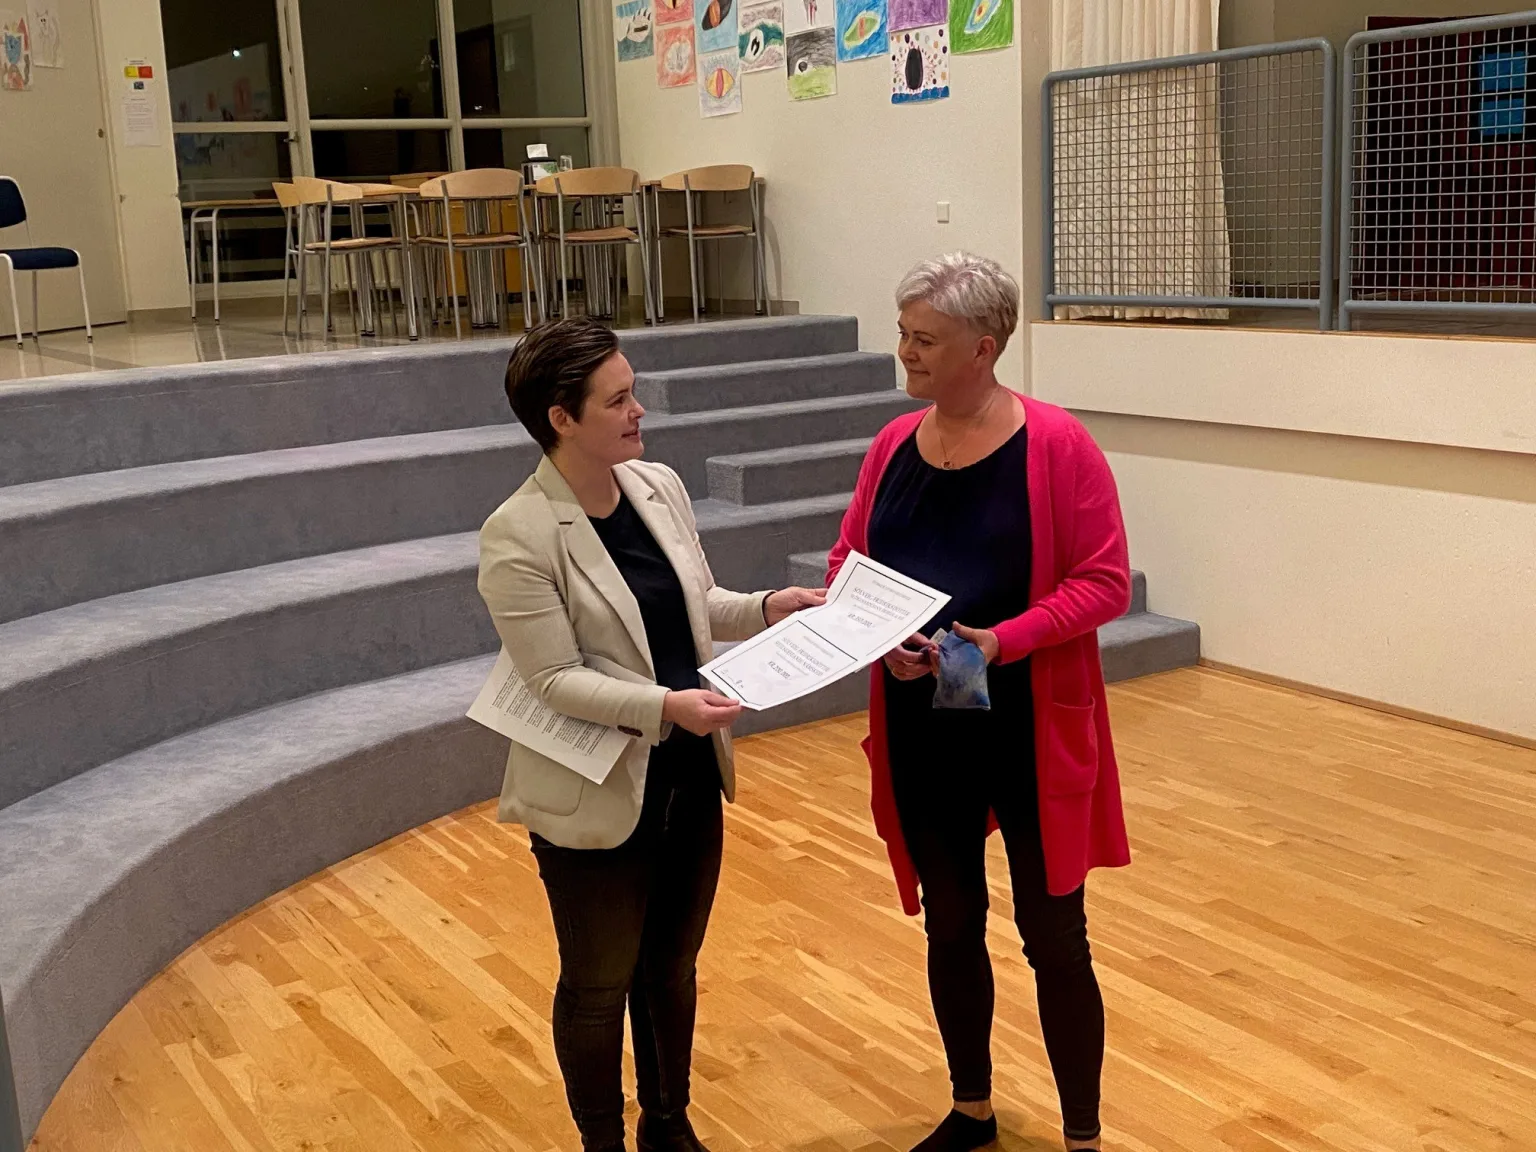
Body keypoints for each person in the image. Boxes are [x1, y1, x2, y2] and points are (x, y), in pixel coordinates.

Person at [477, 318, 825, 1152]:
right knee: (599, 985)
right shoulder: (518, 532)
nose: (640, 412)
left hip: (688, 771)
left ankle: (668, 1126)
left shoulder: (656, 485)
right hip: (596, 790)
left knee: (671, 966)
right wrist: (666, 706)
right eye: (619, 400)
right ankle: (603, 1143)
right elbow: (553, 679)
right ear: (561, 419)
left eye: (634, 392)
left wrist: (766, 608)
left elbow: (695, 605)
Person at [826, 253, 1132, 1152]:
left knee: (1054, 935)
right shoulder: (891, 445)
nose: (906, 352)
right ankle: (971, 1112)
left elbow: (1105, 582)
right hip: (923, 728)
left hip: (1027, 727)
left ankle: (1082, 1137)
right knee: (952, 923)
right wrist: (879, 638)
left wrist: (1003, 640)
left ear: (983, 348)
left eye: (925, 339)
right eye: (904, 333)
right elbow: (848, 563)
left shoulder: (1059, 445)